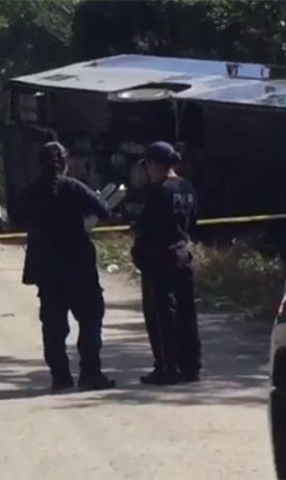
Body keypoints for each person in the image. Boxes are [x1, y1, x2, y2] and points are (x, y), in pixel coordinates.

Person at [17, 141, 116, 393]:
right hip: (78, 264)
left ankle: (60, 376)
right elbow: (103, 210)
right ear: (65, 161)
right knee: (90, 319)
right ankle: (90, 373)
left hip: (46, 267)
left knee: (53, 324)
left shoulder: (31, 192)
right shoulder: (74, 188)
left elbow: (16, 218)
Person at [131, 141, 202, 386]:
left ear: (153, 164)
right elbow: (192, 223)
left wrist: (138, 254)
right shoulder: (187, 188)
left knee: (161, 316)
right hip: (183, 256)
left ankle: (166, 367)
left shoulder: (159, 191)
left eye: (148, 166)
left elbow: (146, 228)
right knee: (186, 314)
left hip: (159, 259)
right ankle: (191, 367)